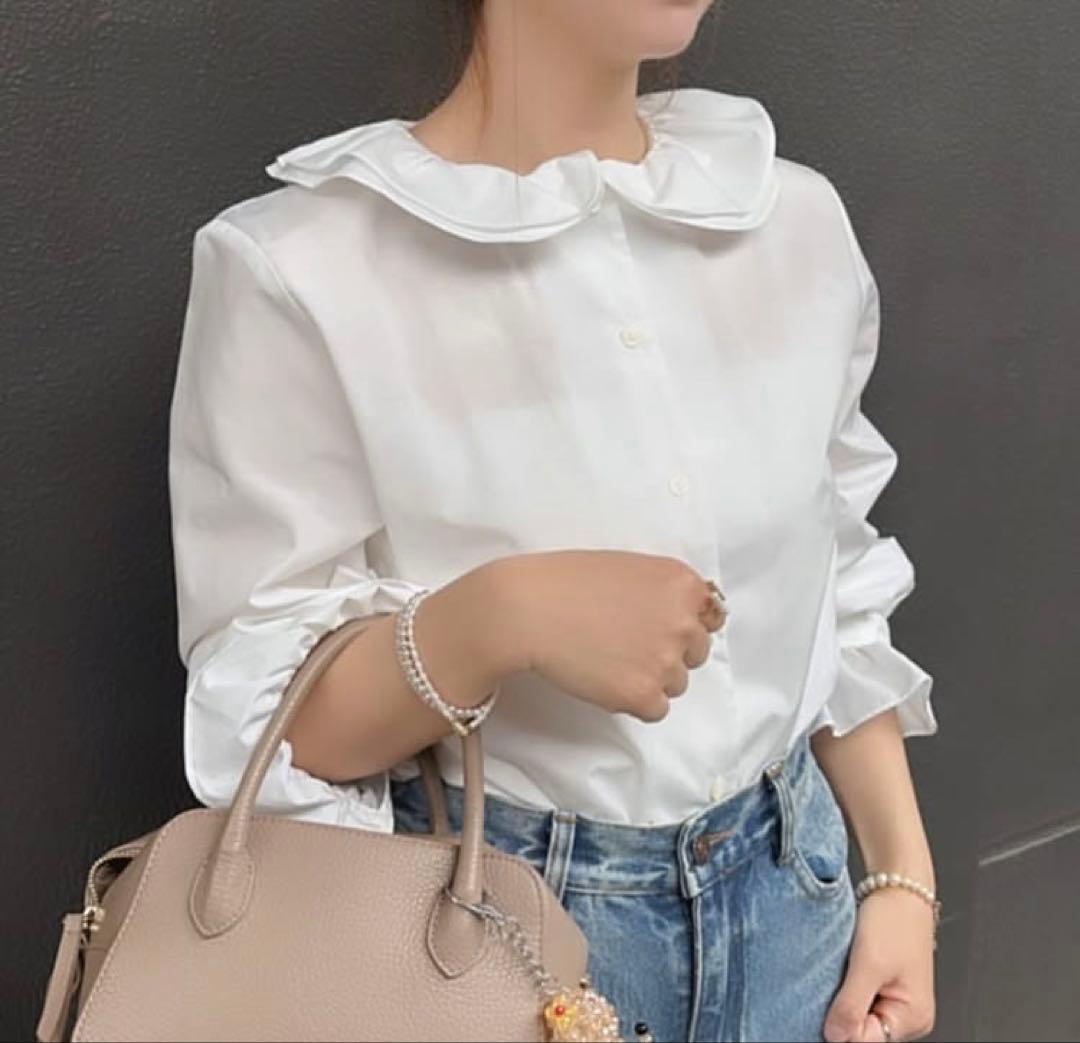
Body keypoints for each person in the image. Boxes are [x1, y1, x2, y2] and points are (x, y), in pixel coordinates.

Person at [168, 2, 940, 1040]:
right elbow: (272, 720)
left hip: (804, 913)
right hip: (501, 941)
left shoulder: (790, 219)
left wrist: (903, 876)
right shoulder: (305, 268)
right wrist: (495, 617)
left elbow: (837, 576)